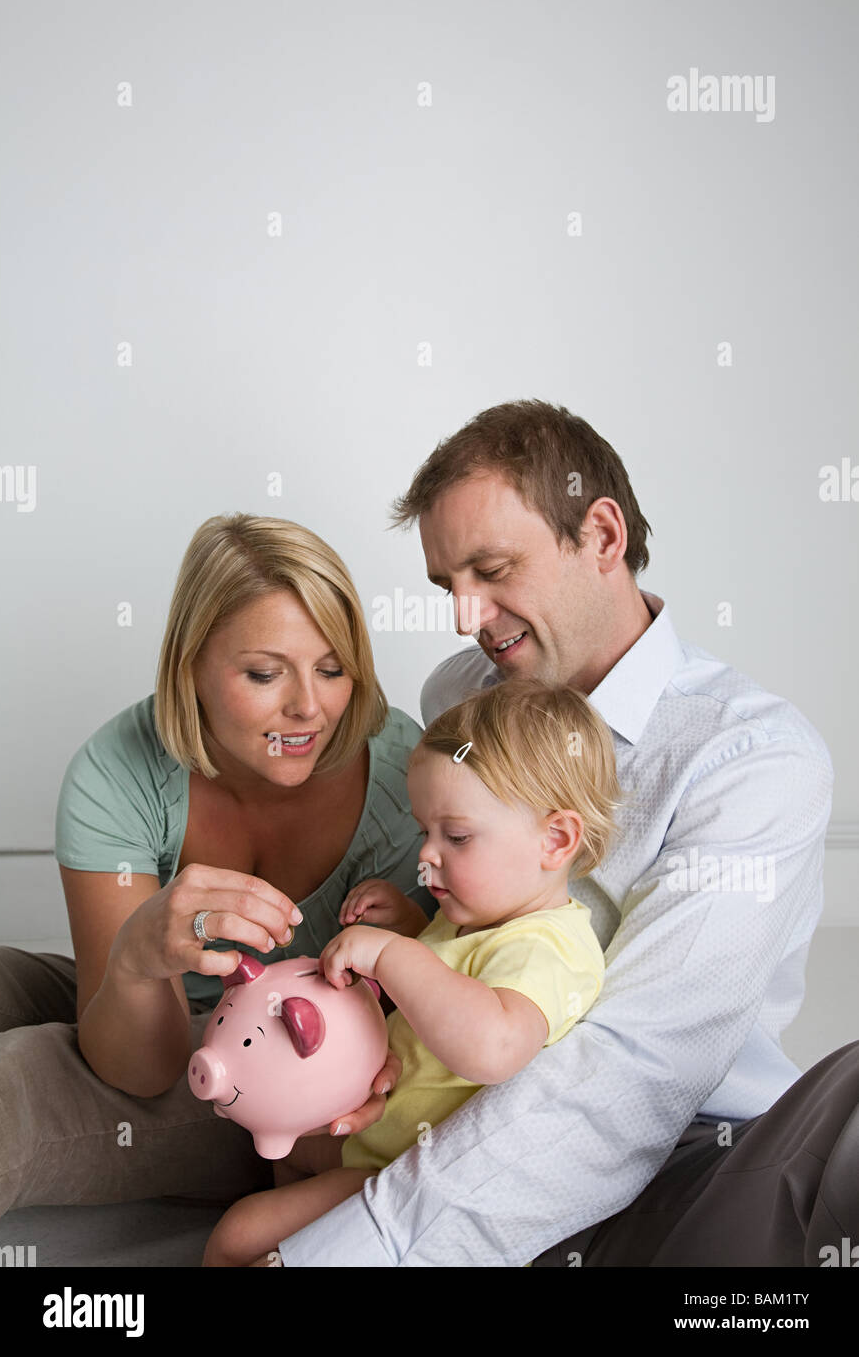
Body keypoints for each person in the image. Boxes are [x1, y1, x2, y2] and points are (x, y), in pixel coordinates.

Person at [271, 398, 859, 1268]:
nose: (467, 617)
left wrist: (351, 1254)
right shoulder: (458, 699)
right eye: (448, 586)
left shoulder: (751, 761)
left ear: (604, 536)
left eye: (493, 568)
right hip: (450, 1119)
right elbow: (461, 924)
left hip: (683, 1151)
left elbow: (633, 1076)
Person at [0, 513, 428, 1223]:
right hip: (157, 1018)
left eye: (332, 668)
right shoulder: (116, 772)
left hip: (277, 1083)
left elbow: (144, 1079)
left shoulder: (405, 773)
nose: (309, 708)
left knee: (14, 1089)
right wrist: (138, 960)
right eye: (264, 673)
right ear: (189, 664)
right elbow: (132, 1044)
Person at [201, 678, 618, 1267]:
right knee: (276, 1154)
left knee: (239, 1236)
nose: (426, 853)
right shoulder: (475, 919)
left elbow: (492, 1045)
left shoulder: (551, 946)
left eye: (457, 835)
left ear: (555, 839)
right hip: (372, 1131)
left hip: (403, 1175)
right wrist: (404, 927)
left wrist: (391, 955)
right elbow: (435, 988)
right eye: (426, 831)